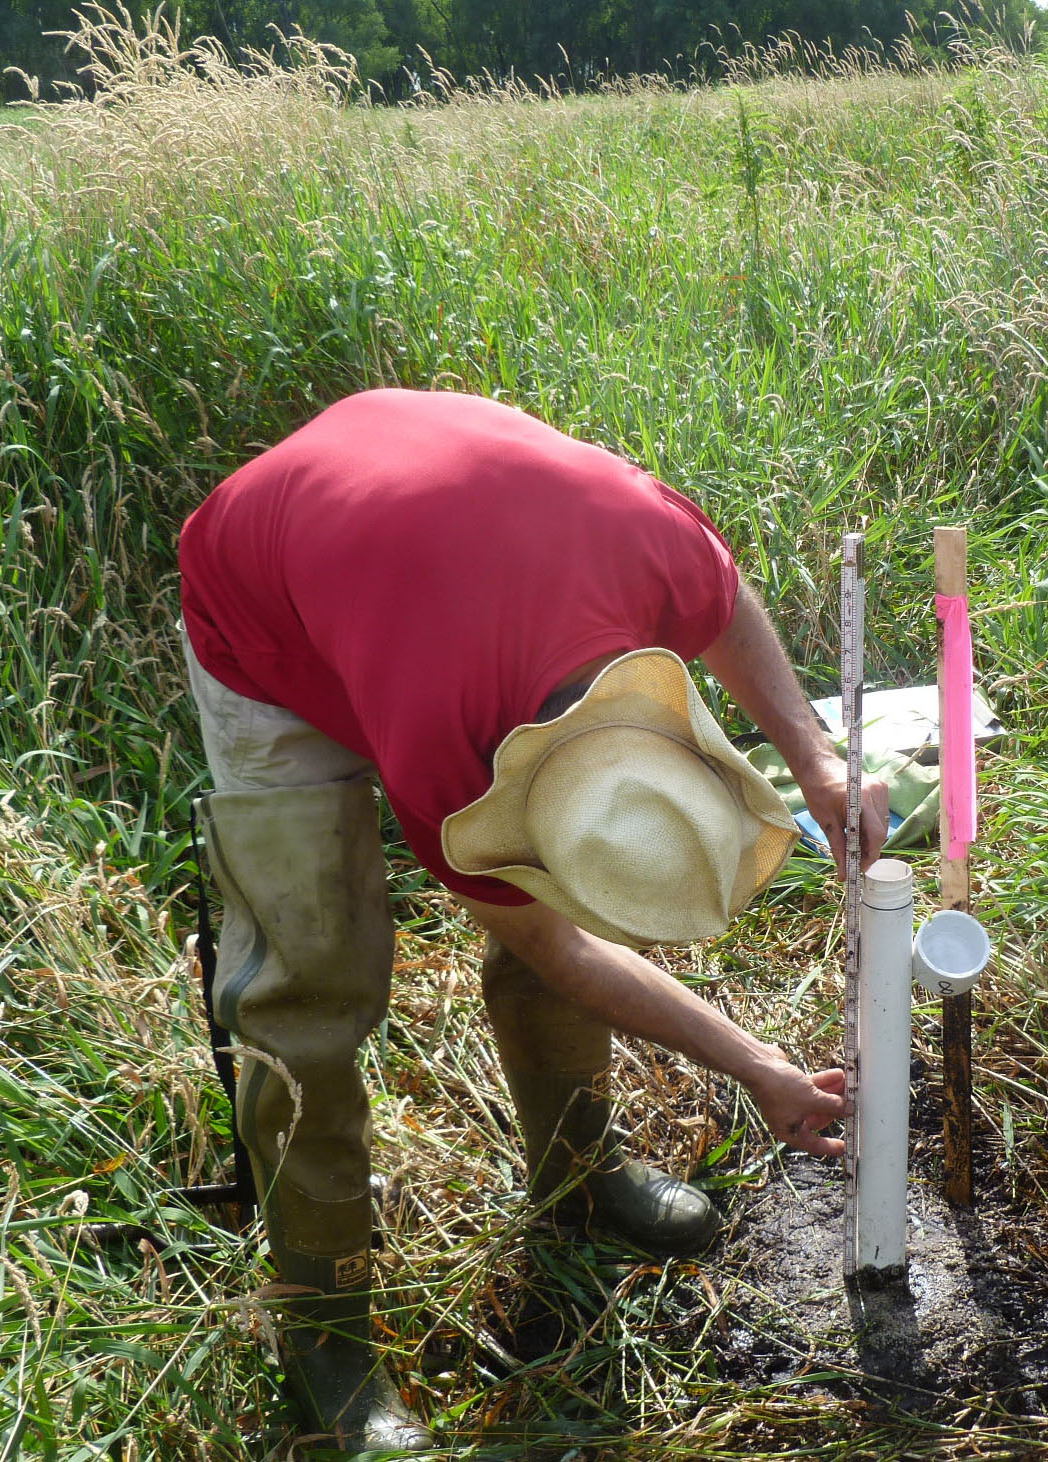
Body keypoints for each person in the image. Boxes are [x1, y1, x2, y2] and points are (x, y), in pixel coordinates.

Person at [178, 389, 890, 1451]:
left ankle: (576, 1167)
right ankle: (321, 1325)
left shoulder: (647, 547)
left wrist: (813, 757)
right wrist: (755, 1065)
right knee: (312, 983)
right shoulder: (441, 743)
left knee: (583, 885)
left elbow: (725, 601)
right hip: (265, 613)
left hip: (408, 528)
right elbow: (556, 946)